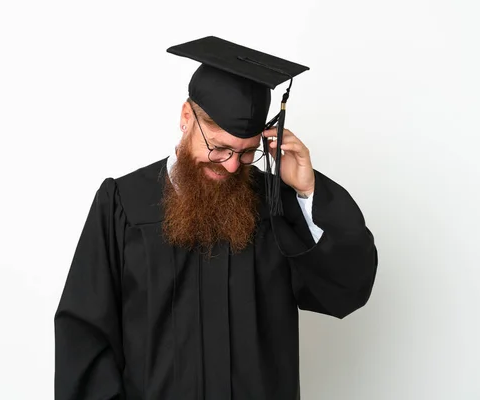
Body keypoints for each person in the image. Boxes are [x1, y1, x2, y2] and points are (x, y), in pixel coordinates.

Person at [54, 36, 378, 400]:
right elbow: (84, 333)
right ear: (186, 117)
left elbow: (344, 292)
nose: (230, 164)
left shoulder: (274, 204)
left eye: (247, 152)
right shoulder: (124, 203)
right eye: (219, 147)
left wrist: (307, 191)